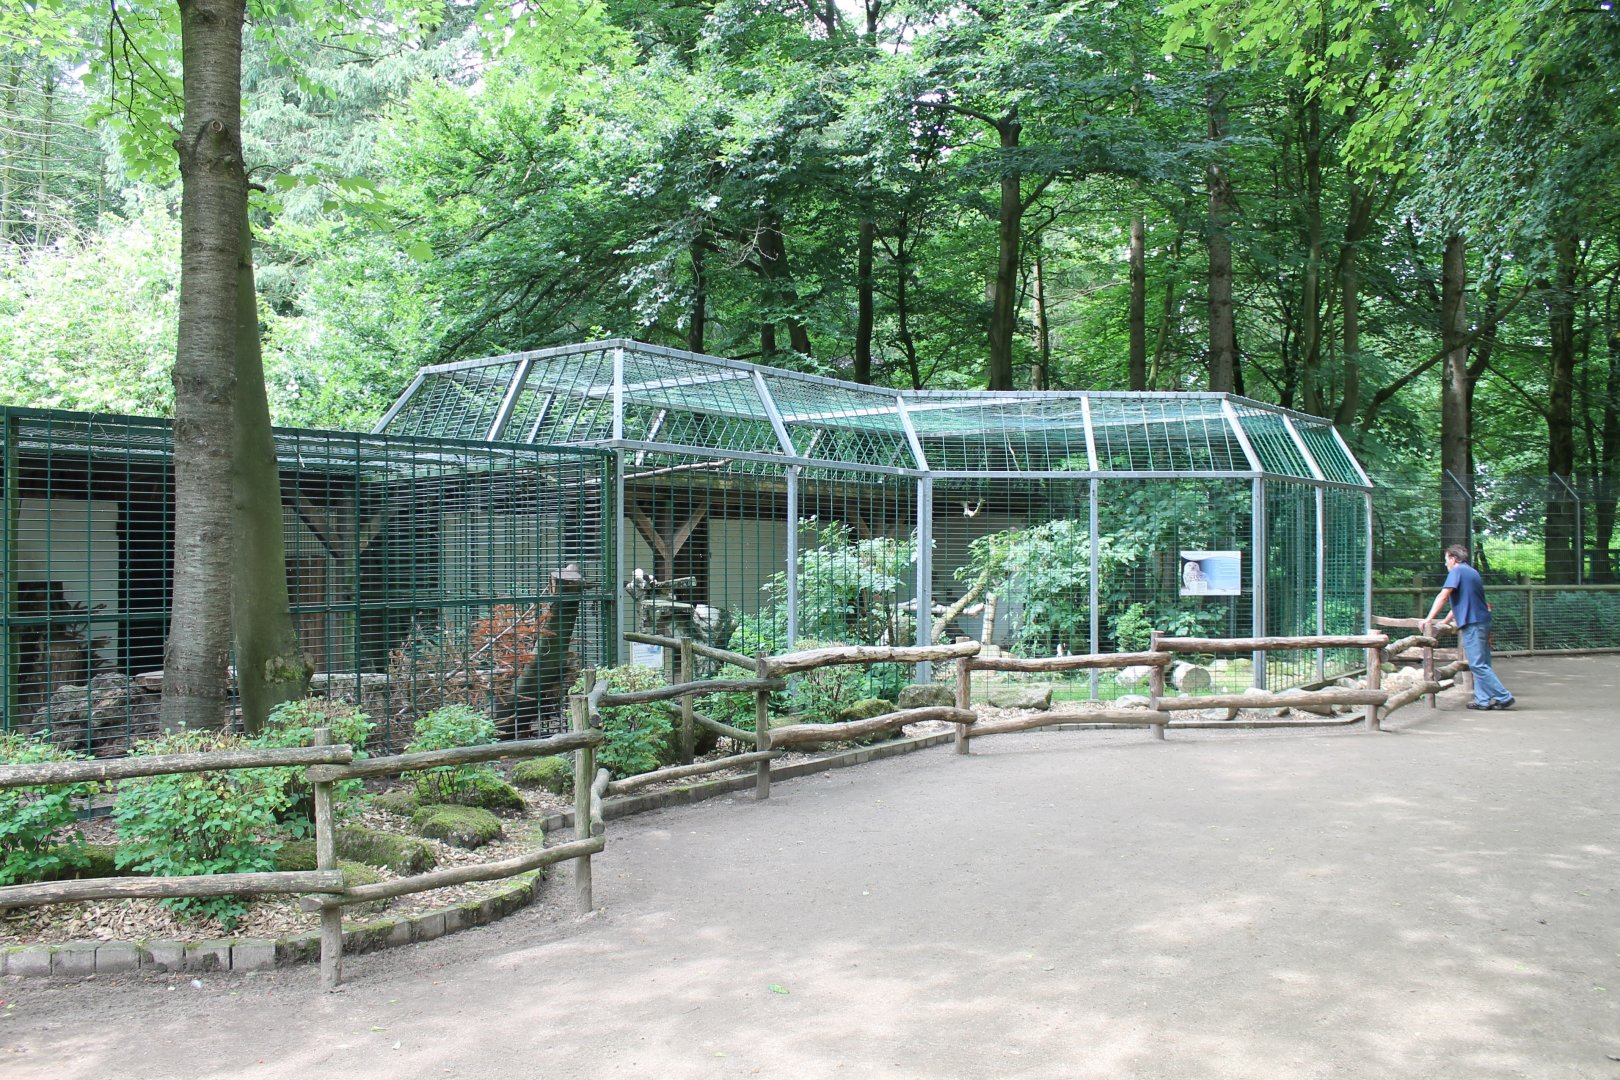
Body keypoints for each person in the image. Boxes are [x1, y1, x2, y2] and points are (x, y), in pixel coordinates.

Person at [1422, 544, 1515, 711]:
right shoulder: (1472, 572)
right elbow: (1461, 602)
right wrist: (1445, 620)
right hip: (1483, 620)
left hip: (1473, 623)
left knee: (1477, 664)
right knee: (1483, 663)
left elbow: (1443, 596)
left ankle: (1503, 696)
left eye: (1446, 560)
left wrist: (1428, 619)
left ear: (1453, 559)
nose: (1445, 564)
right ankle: (1482, 700)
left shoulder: (1457, 572)